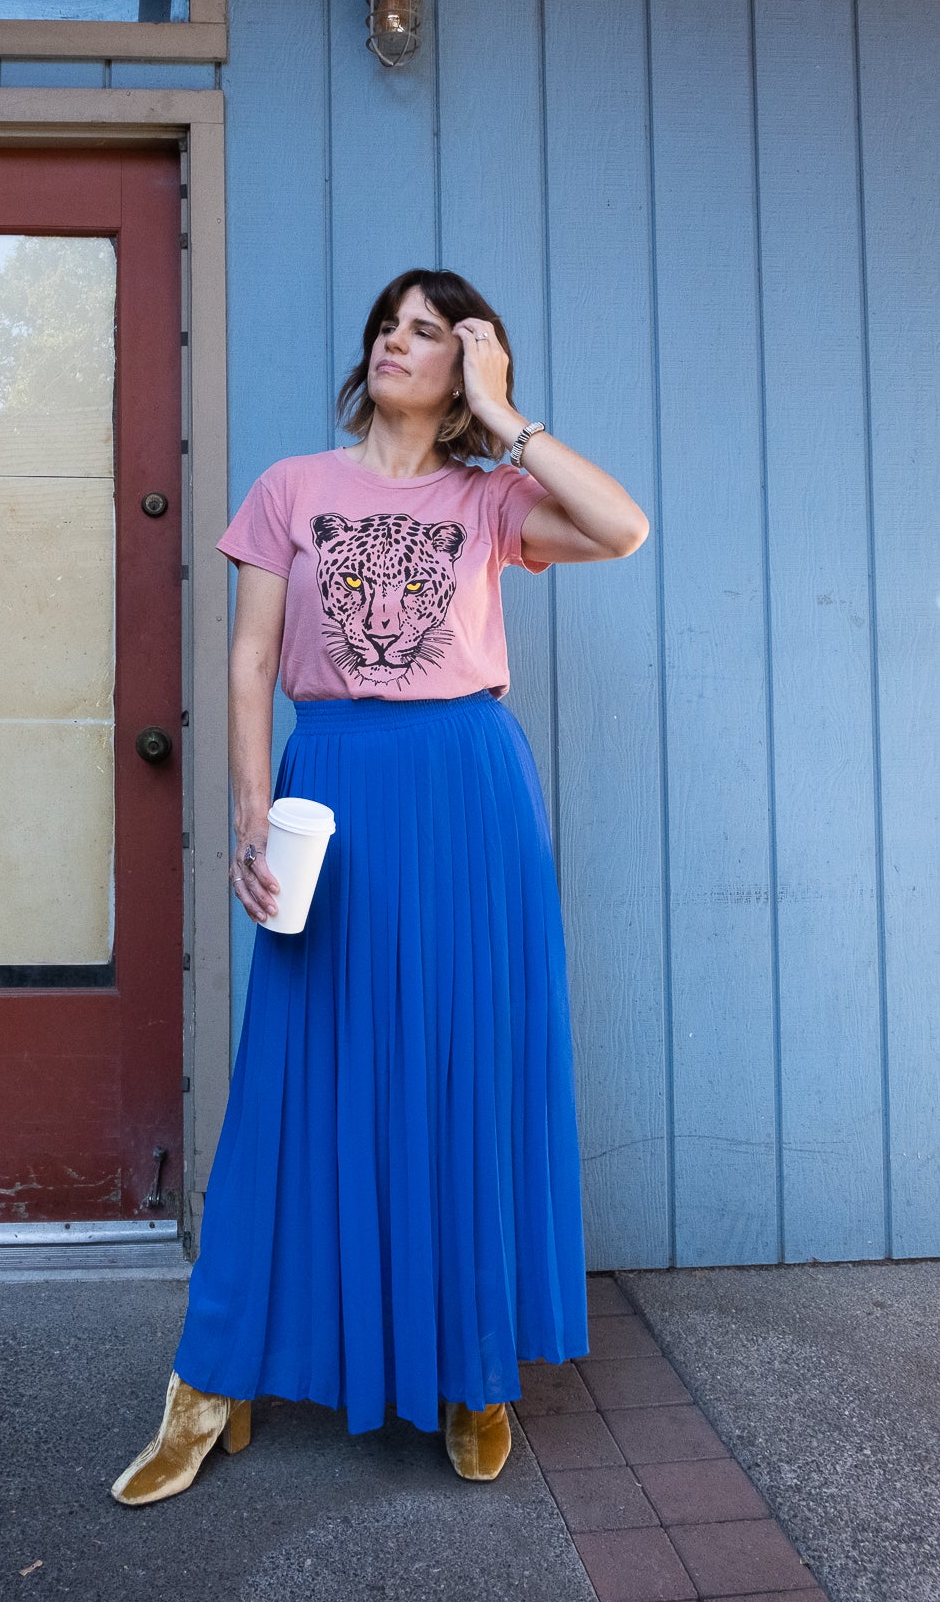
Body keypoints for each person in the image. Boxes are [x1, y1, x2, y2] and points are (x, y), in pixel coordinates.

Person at [111, 269, 650, 1504]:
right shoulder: (290, 488)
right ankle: (210, 1381)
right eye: (389, 328)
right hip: (331, 788)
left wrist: (507, 414)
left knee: (462, 1068)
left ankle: (471, 1373)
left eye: (432, 331)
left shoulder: (494, 495)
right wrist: (250, 808)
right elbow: (251, 660)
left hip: (465, 788)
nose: (400, 344)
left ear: (466, 364)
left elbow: (620, 528)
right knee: (296, 1080)